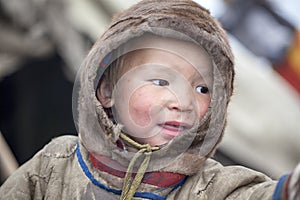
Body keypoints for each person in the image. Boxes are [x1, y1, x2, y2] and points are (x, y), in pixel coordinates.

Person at [0, 0, 299, 199]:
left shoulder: (210, 184)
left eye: (202, 89)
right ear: (106, 92)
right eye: (160, 81)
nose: (183, 102)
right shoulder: (57, 162)